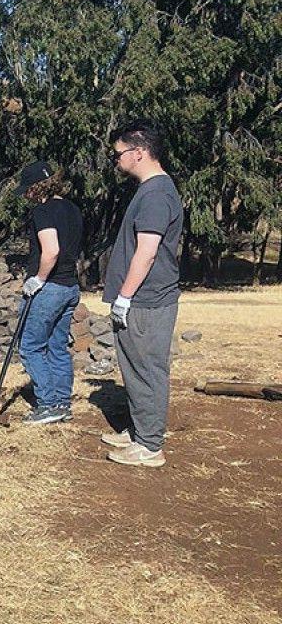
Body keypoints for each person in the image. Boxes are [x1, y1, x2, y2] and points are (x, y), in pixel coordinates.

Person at [101, 120, 183, 467]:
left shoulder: (156, 194)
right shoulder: (149, 191)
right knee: (134, 368)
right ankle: (138, 430)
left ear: (139, 152)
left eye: (119, 154)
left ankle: (149, 446)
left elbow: (146, 251)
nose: (116, 160)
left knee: (147, 370)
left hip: (146, 301)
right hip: (141, 299)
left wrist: (125, 296)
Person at [15, 161, 83, 424]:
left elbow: (51, 249)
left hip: (50, 288)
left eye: (27, 190)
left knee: (31, 348)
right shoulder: (73, 209)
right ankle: (62, 403)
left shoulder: (43, 211)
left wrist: (38, 279)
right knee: (57, 347)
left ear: (35, 188)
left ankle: (48, 405)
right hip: (70, 287)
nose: (26, 196)